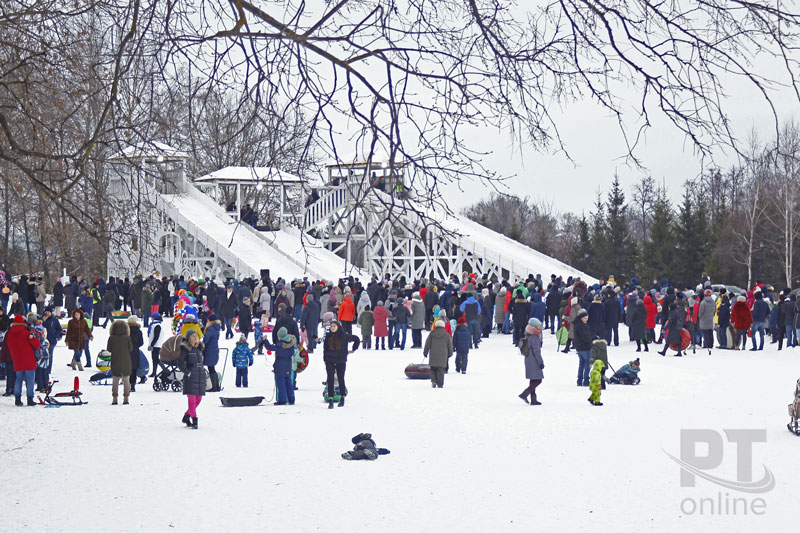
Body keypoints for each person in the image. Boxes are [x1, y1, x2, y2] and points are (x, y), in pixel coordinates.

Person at [323, 320, 360, 408]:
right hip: (330, 360)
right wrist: (325, 359)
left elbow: (356, 339)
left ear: (338, 327)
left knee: (340, 378)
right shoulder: (328, 336)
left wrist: (353, 349)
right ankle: (331, 399)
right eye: (331, 326)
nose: (332, 328)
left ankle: (342, 397)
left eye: (334, 326)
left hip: (340, 360)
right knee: (330, 379)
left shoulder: (343, 336)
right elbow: (325, 349)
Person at [6, 315, 40, 406]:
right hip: (29, 360)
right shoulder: (26, 333)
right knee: (30, 380)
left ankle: (17, 399)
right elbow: (37, 345)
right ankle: (30, 399)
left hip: (17, 360)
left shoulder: (10, 335)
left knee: (18, 379)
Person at [178, 329, 206, 429]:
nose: (195, 338)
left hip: (199, 375)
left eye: (196, 336)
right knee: (192, 400)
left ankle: (186, 416)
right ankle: (194, 419)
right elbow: (180, 363)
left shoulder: (199, 348)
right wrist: (187, 372)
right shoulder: (185, 349)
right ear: (189, 338)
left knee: (199, 399)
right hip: (191, 376)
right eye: (193, 336)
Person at [263, 327, 296, 405]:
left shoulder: (280, 345)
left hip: (280, 366)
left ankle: (282, 400)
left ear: (280, 336)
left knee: (281, 384)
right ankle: (291, 399)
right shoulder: (291, 344)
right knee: (288, 383)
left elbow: (270, 347)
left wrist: (265, 340)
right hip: (288, 365)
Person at [519, 318, 544, 405]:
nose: (540, 326)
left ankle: (533, 399)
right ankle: (525, 394)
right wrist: (540, 362)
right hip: (534, 360)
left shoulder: (528, 334)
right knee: (538, 380)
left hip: (528, 359)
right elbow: (536, 351)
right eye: (538, 325)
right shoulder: (534, 336)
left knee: (533, 380)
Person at [107, 319, 133, 405]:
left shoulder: (111, 338)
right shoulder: (127, 338)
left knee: (115, 380)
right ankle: (126, 398)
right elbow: (131, 349)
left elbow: (109, 349)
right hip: (126, 361)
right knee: (126, 380)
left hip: (115, 360)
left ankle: (115, 398)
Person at [423, 319, 454, 388]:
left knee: (433, 368)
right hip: (443, 355)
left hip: (433, 354)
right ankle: (440, 384)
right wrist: (450, 353)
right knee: (441, 369)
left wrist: (425, 352)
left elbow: (427, 344)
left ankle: (433, 381)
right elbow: (450, 345)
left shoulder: (432, 334)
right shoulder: (446, 335)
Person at [573, 309, 592, 386]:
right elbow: (585, 337)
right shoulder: (581, 326)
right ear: (581, 318)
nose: (586, 320)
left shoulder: (578, 324)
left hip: (579, 347)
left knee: (581, 364)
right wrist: (591, 341)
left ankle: (579, 380)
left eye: (587, 318)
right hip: (585, 347)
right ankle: (586, 380)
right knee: (587, 364)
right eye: (585, 318)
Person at [128, 315, 144, 391]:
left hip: (127, 351)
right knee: (134, 369)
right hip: (135, 351)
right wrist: (136, 346)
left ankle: (127, 384)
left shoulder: (126, 331)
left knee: (127, 369)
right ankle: (133, 384)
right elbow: (141, 342)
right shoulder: (139, 331)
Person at [147, 313, 165, 378]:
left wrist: (152, 344)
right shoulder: (155, 325)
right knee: (154, 359)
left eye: (152, 318)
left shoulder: (156, 325)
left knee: (156, 359)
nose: (151, 319)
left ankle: (165, 369)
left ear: (154, 318)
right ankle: (154, 372)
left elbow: (156, 336)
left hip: (156, 345)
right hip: (155, 344)